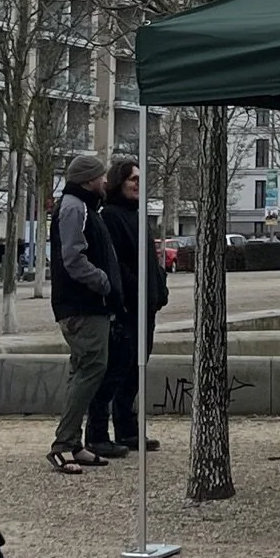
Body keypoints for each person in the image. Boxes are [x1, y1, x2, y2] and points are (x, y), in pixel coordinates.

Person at [86, 154, 168, 459]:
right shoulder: (110, 216)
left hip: (145, 306)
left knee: (136, 370)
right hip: (126, 307)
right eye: (134, 179)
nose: (138, 185)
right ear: (120, 181)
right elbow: (115, 264)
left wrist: (159, 288)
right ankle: (96, 434)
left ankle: (128, 429)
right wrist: (135, 290)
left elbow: (150, 259)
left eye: (141, 180)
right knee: (115, 371)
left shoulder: (138, 216)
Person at [45, 154, 116, 474]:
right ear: (89, 179)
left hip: (85, 305)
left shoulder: (82, 206)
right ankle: (63, 444)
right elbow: (73, 258)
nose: (106, 181)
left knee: (83, 369)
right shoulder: (75, 207)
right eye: (102, 176)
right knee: (92, 367)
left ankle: (73, 442)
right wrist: (103, 282)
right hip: (82, 306)